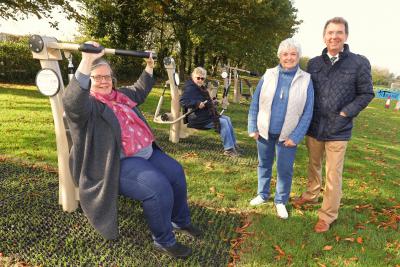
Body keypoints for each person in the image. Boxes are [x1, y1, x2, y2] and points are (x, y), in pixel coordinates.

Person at [62, 42, 201, 259]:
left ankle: (179, 221)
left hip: (146, 152)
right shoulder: (89, 107)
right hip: (119, 162)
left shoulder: (120, 96)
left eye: (107, 76)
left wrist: (149, 66)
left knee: (175, 172)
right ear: (88, 80)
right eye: (97, 77)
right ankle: (163, 240)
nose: (104, 81)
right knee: (157, 187)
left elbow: (139, 90)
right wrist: (88, 59)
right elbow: (71, 102)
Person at [293, 17, 374, 232]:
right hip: (315, 126)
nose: (334, 36)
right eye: (330, 32)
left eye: (339, 32)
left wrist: (347, 112)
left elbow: (366, 93)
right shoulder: (314, 63)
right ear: (324, 36)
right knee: (313, 165)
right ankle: (311, 195)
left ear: (346, 36)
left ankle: (327, 215)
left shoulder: (359, 62)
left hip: (339, 127)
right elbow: (306, 92)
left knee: (333, 174)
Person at [247, 38, 314, 219]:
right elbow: (255, 102)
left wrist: (297, 136)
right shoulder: (268, 74)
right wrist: (252, 126)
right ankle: (262, 194)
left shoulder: (306, 79)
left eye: (293, 54)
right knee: (264, 164)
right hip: (264, 131)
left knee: (284, 169)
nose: (289, 58)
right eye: (285, 54)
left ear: (298, 56)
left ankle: (280, 201)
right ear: (279, 56)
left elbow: (308, 112)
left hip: (288, 136)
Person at [180, 67, 240, 157]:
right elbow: (183, 101)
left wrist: (213, 102)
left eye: (202, 78)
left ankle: (233, 145)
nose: (200, 80)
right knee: (223, 122)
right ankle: (229, 150)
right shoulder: (190, 88)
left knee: (227, 119)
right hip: (196, 118)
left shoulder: (200, 87)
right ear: (193, 76)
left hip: (204, 115)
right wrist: (196, 104)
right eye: (198, 78)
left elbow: (205, 100)